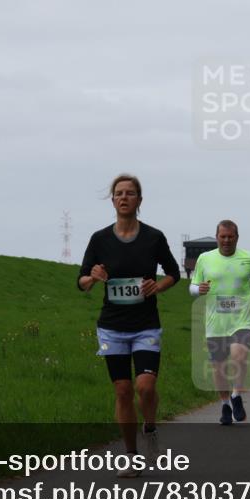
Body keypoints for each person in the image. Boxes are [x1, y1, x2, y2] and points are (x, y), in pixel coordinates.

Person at [77, 174, 181, 477]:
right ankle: (132, 456)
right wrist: (93, 278)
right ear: (113, 200)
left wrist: (158, 287)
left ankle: (150, 428)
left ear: (139, 200)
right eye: (119, 193)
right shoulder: (100, 239)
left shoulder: (153, 237)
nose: (124, 197)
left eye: (130, 193)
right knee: (123, 391)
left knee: (145, 387)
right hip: (112, 327)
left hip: (146, 324)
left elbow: (174, 272)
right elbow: (81, 282)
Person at [190, 220, 250, 425]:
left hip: (242, 318)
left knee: (239, 355)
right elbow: (192, 286)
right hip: (216, 322)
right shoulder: (204, 259)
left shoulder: (249, 258)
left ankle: (236, 395)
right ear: (217, 237)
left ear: (237, 237)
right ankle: (225, 404)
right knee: (219, 368)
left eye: (230, 236)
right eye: (222, 236)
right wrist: (199, 290)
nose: (226, 240)